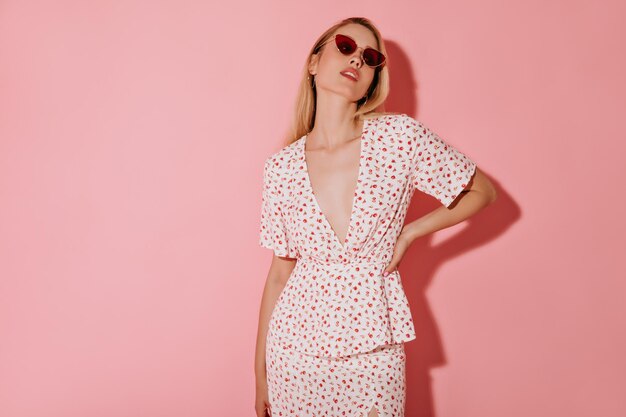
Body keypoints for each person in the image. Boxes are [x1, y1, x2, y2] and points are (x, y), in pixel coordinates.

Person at [254, 17, 497, 417]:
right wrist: (260, 375)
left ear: (373, 80)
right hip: (292, 351)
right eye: (346, 46)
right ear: (314, 61)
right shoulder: (280, 168)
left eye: (371, 58)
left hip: (373, 344)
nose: (358, 61)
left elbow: (482, 192)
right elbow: (279, 274)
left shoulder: (398, 137)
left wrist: (412, 232)